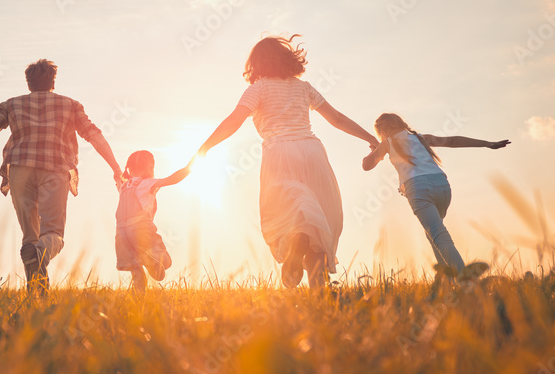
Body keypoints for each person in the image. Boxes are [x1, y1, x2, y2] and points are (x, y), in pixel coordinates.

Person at [195, 35, 378, 289]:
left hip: (279, 152)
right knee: (320, 219)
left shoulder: (257, 89)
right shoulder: (304, 88)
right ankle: (319, 291)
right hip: (313, 152)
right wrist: (371, 138)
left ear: (256, 64)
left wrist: (204, 148)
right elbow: (336, 118)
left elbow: (234, 121)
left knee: (289, 212)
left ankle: (297, 241)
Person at [0, 59, 122, 295]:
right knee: (53, 234)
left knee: (31, 236)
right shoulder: (70, 105)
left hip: (19, 169)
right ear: (53, 82)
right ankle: (39, 268)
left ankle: (37, 295)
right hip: (55, 167)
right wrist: (115, 168)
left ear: (28, 83)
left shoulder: (10, 105)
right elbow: (94, 136)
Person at [362, 112, 510, 279]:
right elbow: (452, 141)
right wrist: (487, 143)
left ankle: (466, 281)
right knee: (433, 233)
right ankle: (447, 280)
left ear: (381, 130)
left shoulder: (387, 143)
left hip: (418, 188)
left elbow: (366, 165)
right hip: (442, 185)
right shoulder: (419, 138)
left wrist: (375, 151)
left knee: (438, 234)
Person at [115, 151, 191, 292]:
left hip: (121, 234)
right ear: (148, 168)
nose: (152, 171)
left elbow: (117, 177)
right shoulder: (147, 183)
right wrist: (190, 166)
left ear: (129, 169)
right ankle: (148, 257)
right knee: (165, 262)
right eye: (152, 168)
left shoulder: (123, 186)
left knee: (135, 268)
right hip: (140, 228)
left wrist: (117, 171)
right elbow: (173, 179)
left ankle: (138, 298)